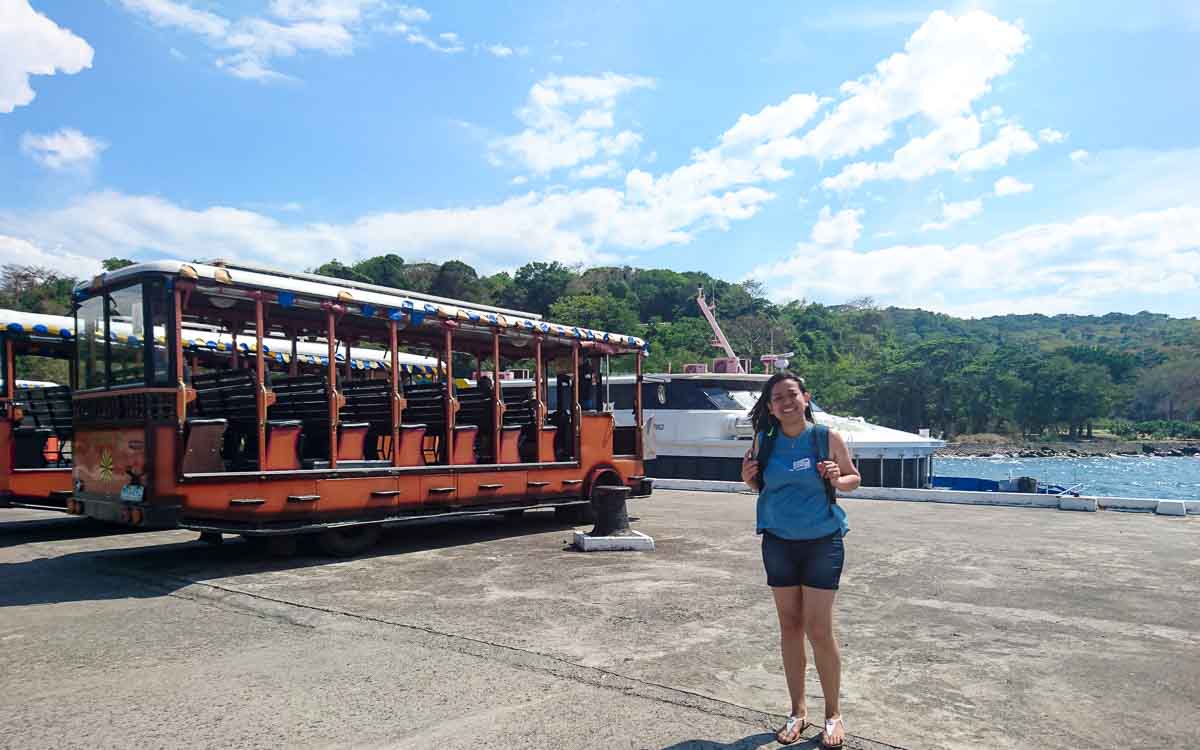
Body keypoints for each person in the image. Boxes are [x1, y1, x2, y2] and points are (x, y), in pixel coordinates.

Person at [740, 372, 861, 748]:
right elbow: (760, 484)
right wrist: (747, 479)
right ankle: (797, 711)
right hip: (778, 541)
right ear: (771, 407)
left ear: (805, 398)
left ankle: (833, 714)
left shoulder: (826, 438)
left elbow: (854, 479)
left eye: (791, 395)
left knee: (819, 629)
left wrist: (838, 478)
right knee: (789, 625)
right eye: (777, 398)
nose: (785, 402)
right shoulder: (765, 439)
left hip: (822, 542)